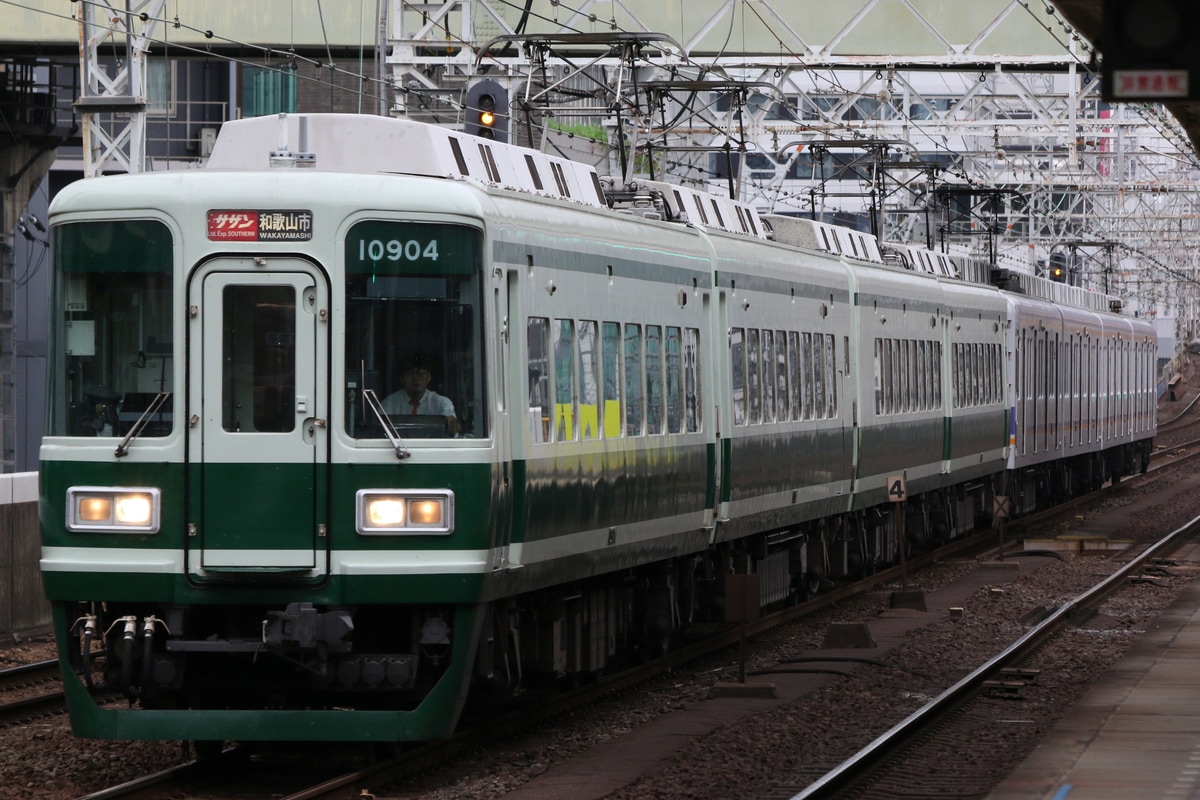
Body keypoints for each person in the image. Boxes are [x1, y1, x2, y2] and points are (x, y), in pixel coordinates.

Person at [381, 354, 461, 435]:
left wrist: (451, 423)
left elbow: (452, 430)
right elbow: (381, 434)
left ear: (429, 377)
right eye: (410, 374)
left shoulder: (441, 402)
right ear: (402, 379)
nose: (415, 378)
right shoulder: (389, 403)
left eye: (420, 373)